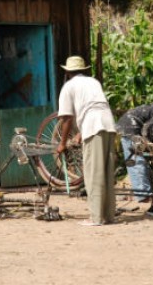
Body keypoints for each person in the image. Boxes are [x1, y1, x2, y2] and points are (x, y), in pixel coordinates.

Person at [55, 55, 117, 226]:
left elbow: (66, 118)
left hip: (93, 126)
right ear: (83, 70)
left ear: (67, 73)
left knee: (93, 173)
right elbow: (93, 105)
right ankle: (109, 216)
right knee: (106, 171)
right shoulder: (93, 82)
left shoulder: (68, 86)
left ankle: (96, 218)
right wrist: (80, 134)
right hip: (108, 124)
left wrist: (62, 144)